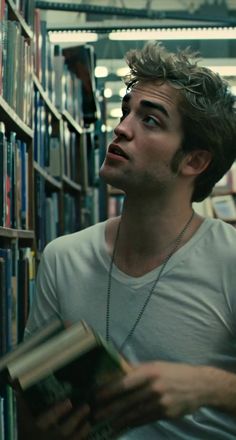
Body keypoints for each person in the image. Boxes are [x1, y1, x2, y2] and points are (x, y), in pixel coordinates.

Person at [21, 41, 236, 439]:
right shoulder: (63, 258)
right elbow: (29, 418)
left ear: (194, 161)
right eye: (126, 112)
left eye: (150, 120)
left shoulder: (230, 260)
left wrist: (209, 385)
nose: (121, 128)